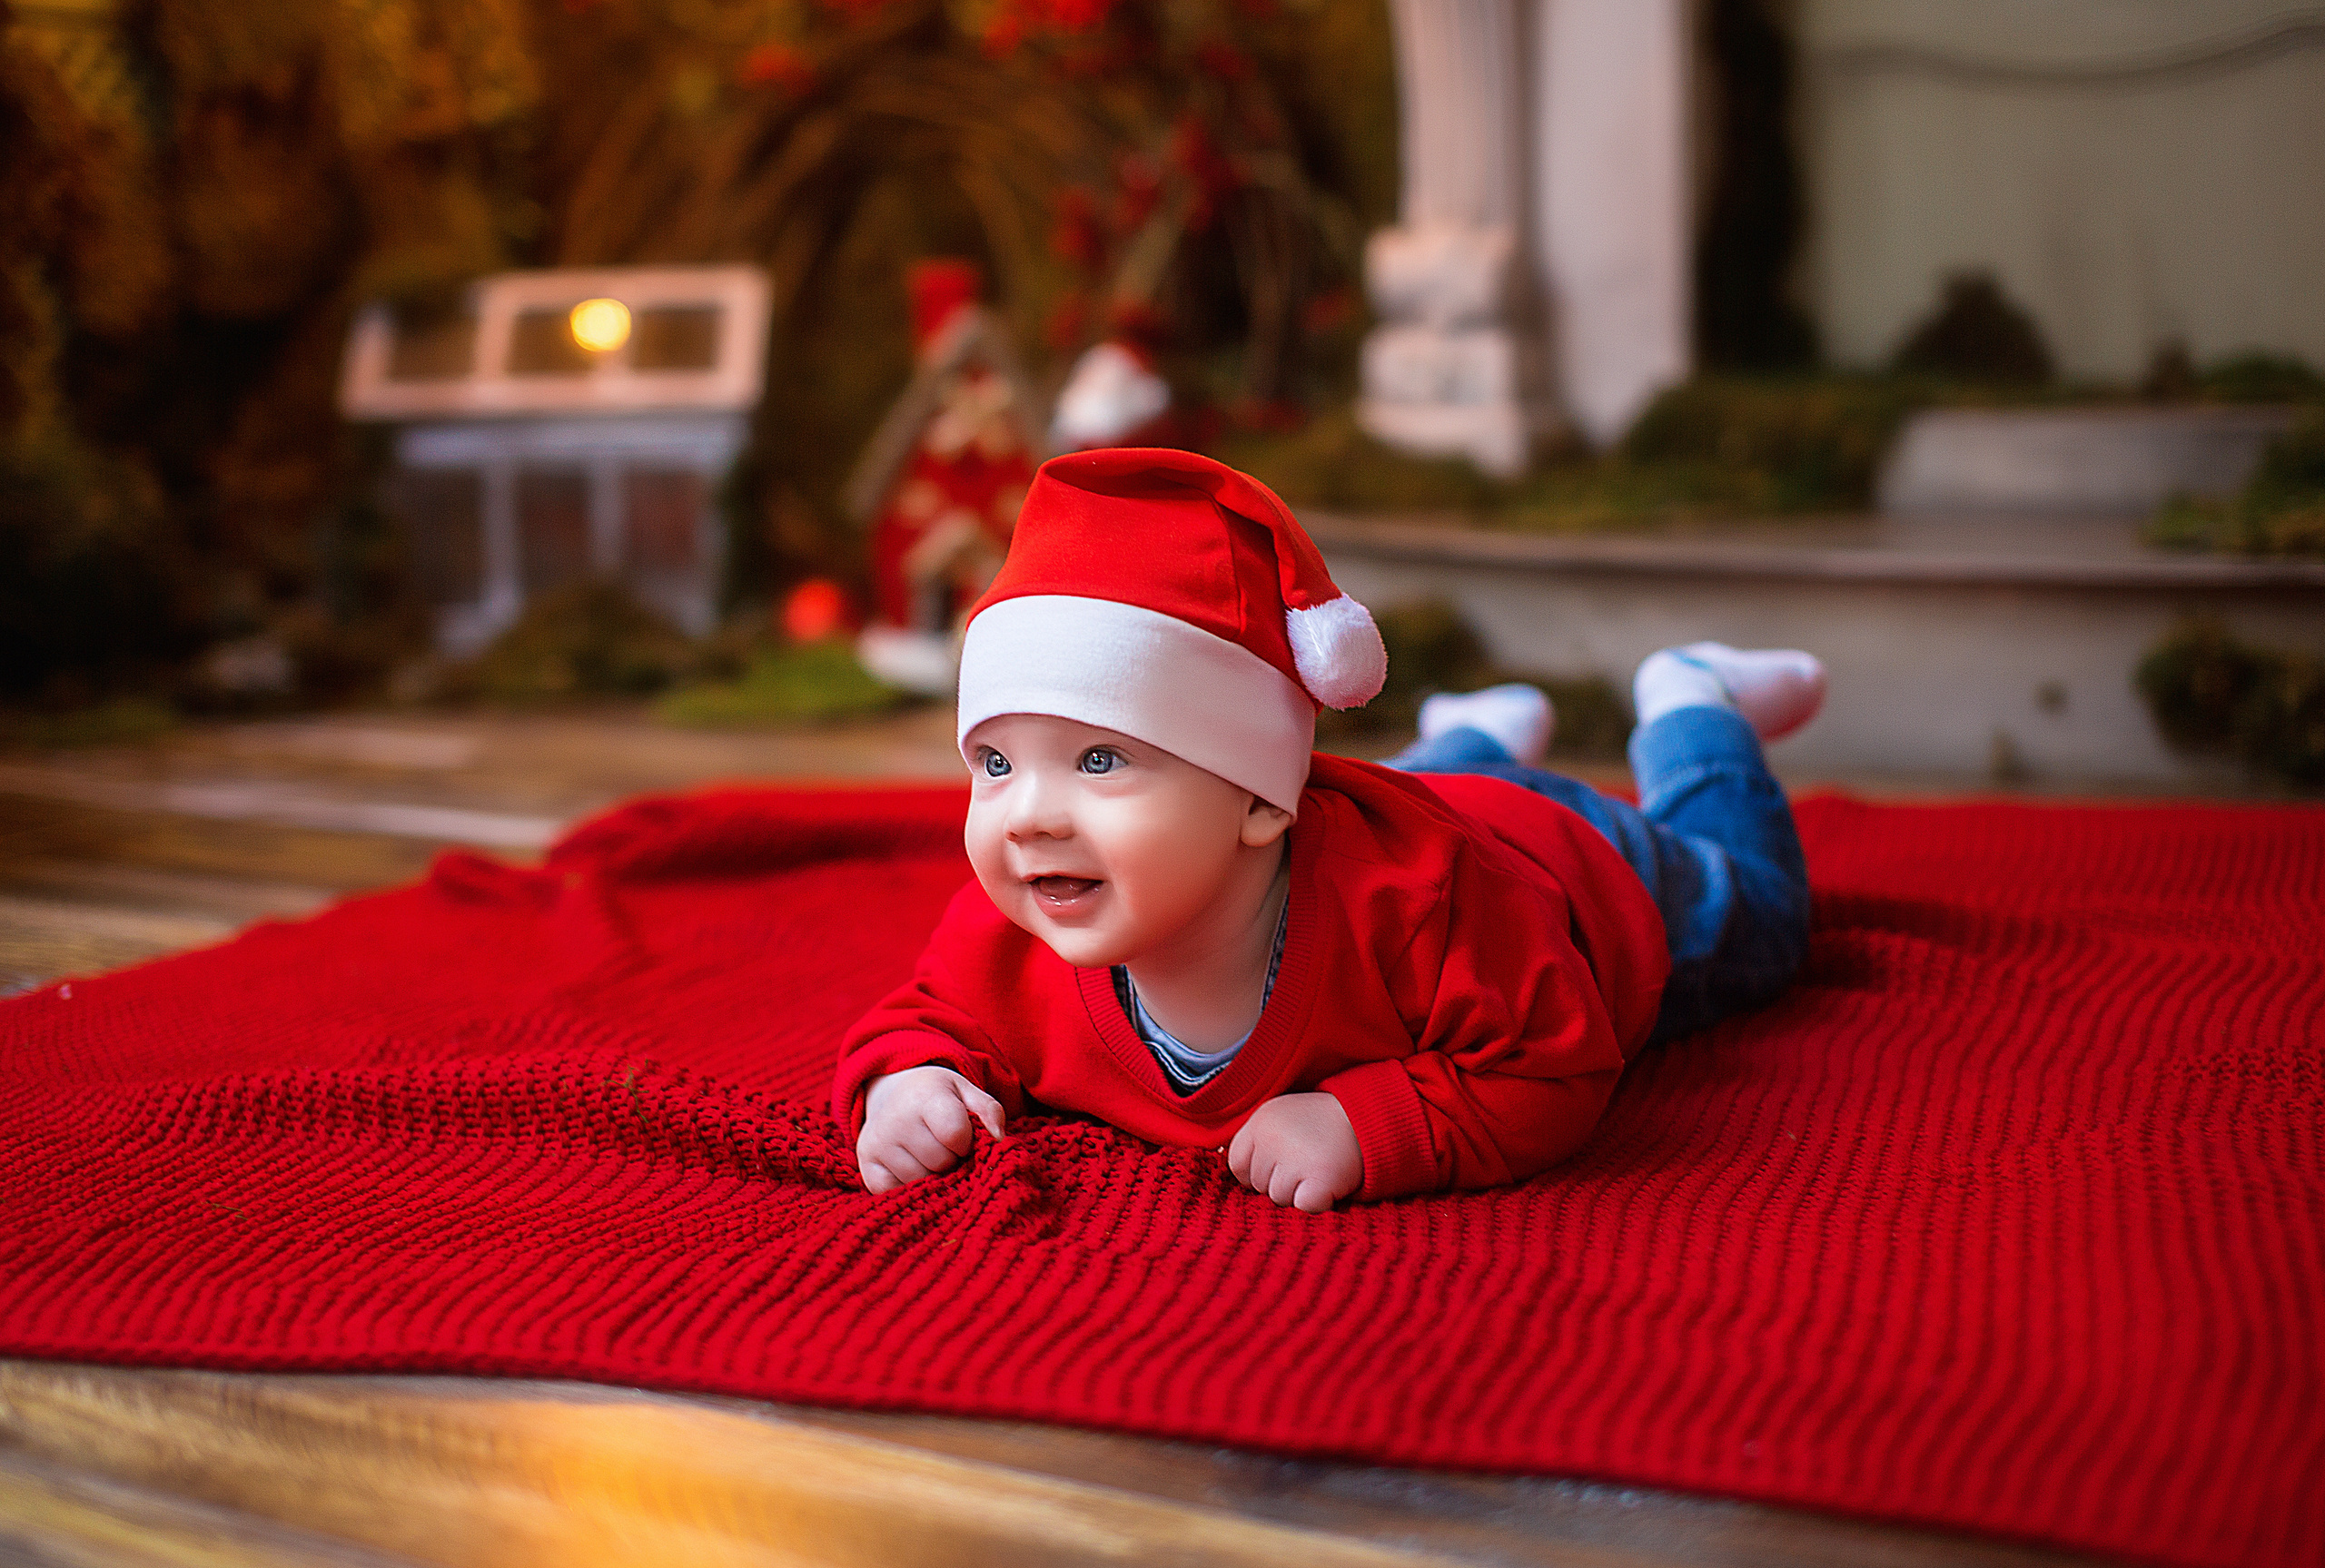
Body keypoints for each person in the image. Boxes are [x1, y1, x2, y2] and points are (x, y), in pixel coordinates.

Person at [832, 449, 1823, 1211]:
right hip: (1377, 805)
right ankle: (1468, 735)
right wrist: (909, 1082)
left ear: (1263, 799)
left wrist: (1367, 1123)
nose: (1028, 814)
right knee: (1402, 794)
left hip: (1564, 859)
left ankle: (1691, 703)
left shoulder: (1425, 908)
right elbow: (926, 1016)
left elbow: (1551, 1059)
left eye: (1099, 761)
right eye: (993, 764)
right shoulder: (1018, 928)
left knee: (1764, 915)